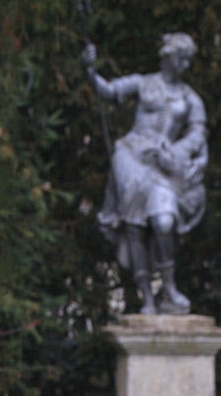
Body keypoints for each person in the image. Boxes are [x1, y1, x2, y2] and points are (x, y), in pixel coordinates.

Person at [84, 34, 208, 316]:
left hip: (163, 163)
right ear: (167, 57)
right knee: (135, 226)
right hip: (130, 155)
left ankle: (169, 289)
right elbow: (108, 91)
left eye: (188, 60)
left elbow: (198, 133)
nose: (185, 65)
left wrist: (176, 153)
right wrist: (90, 70)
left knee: (163, 222)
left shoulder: (191, 99)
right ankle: (146, 298)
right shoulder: (143, 83)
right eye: (182, 58)